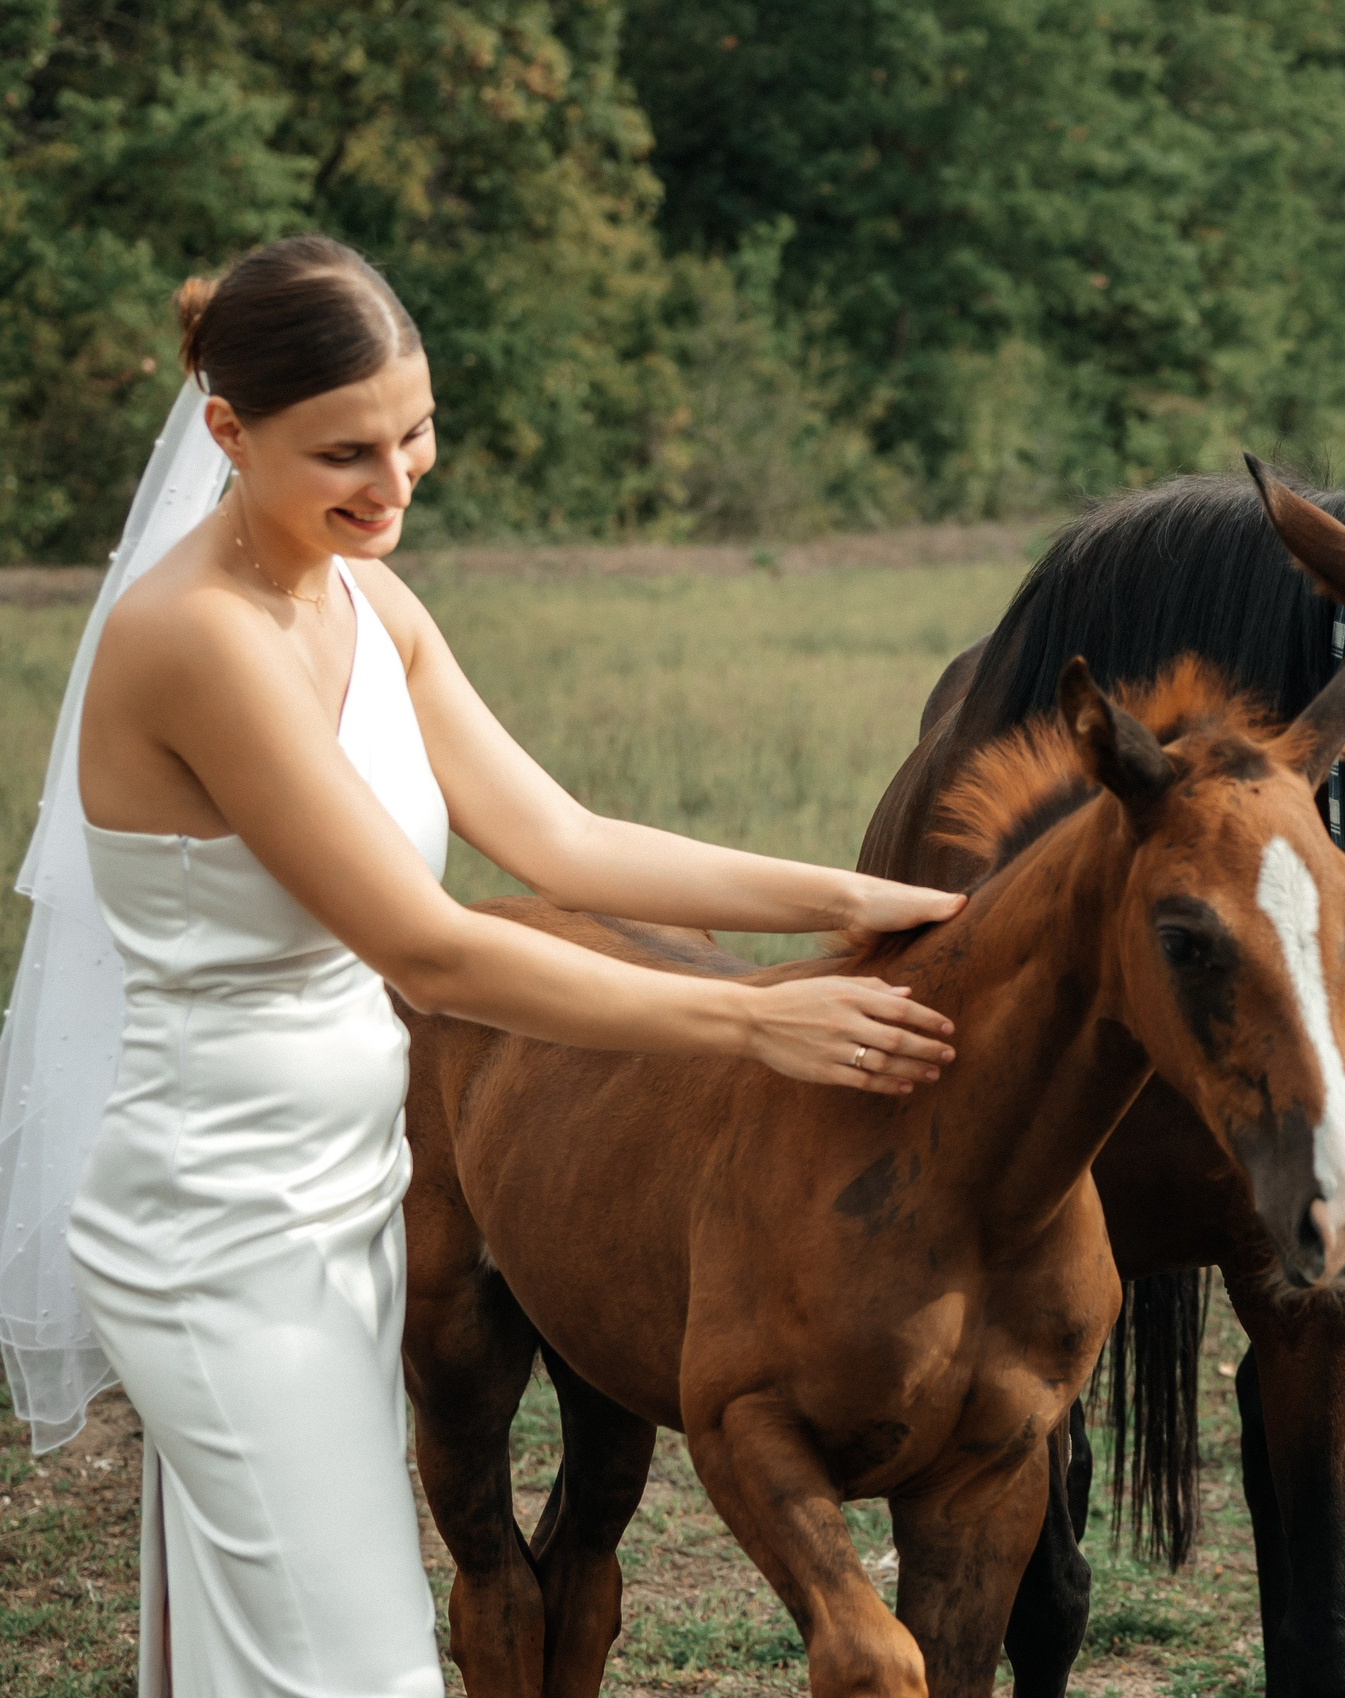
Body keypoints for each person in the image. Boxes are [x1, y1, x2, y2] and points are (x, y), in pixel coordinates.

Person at [0, 234, 965, 1693]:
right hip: (219, 1224)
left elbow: (562, 838)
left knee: (262, 1658)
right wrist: (751, 1021)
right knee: (359, 1667)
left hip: (341, 1194)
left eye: (416, 432)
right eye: (346, 453)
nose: (395, 484)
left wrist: (852, 890)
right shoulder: (197, 640)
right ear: (226, 435)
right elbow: (431, 947)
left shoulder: (365, 602)